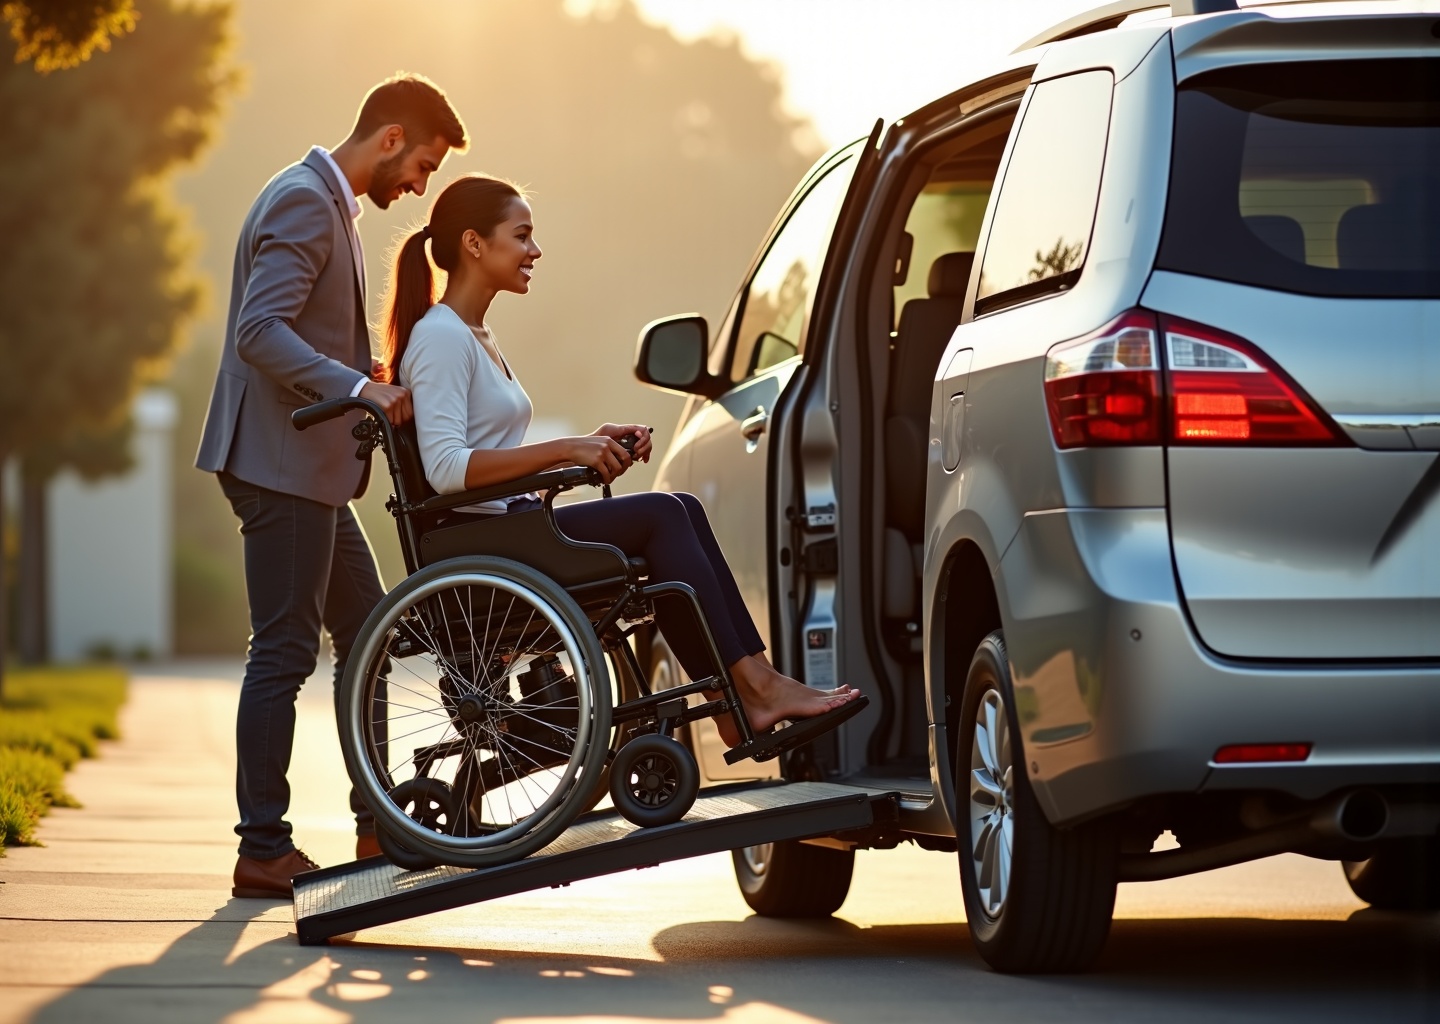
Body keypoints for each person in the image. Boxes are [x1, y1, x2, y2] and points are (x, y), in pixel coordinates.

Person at [384, 174, 861, 744]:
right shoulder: (441, 337)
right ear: (474, 243)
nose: (535, 251)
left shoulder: (472, 333)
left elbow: (483, 454)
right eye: (522, 236)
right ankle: (751, 691)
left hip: (506, 527)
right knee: (662, 514)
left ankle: (745, 690)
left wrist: (592, 441)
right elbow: (445, 471)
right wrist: (566, 448)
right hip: (485, 543)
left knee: (680, 506)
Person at [195, 74, 467, 899]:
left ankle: (376, 819)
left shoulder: (327, 201)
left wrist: (370, 373)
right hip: (280, 468)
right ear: (389, 139)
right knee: (282, 651)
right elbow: (260, 333)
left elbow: (298, 331)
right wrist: (357, 390)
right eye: (420, 165)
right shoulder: (306, 201)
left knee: (371, 634)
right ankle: (263, 848)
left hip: (306, 472)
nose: (420, 186)